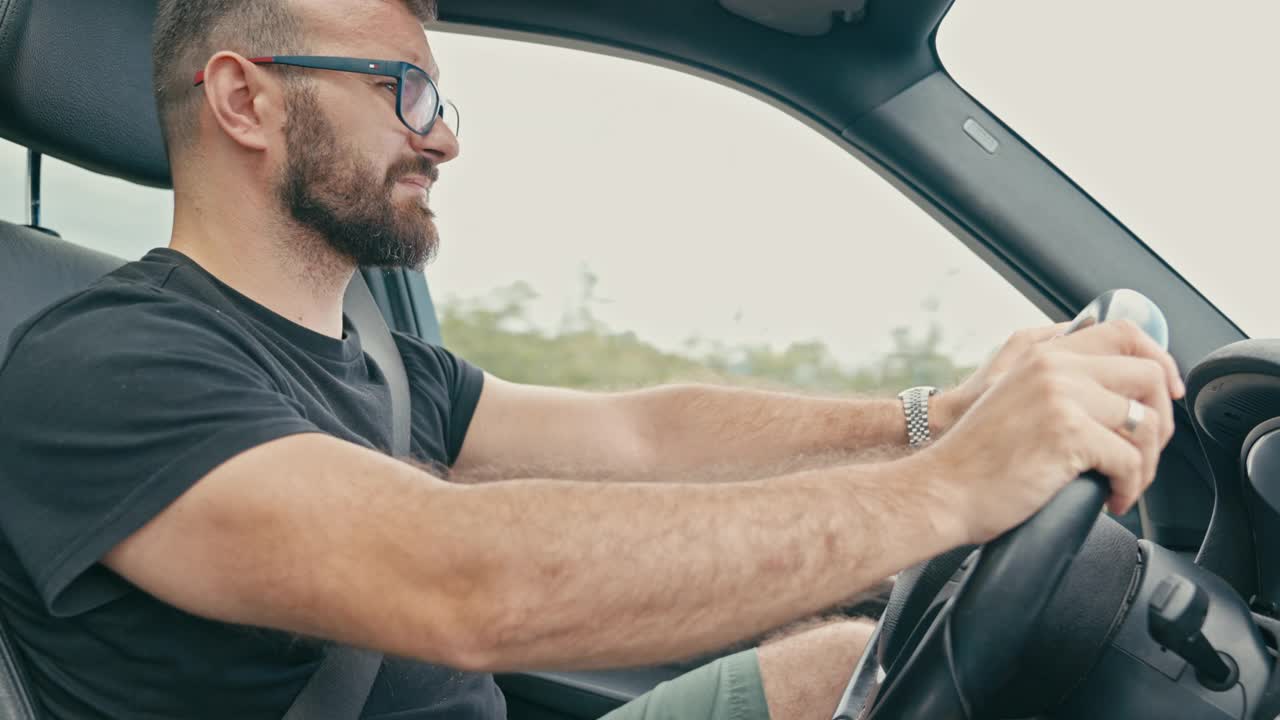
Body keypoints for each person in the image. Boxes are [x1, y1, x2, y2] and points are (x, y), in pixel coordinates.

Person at [0, 0, 1184, 718]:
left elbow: (640, 435)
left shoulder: (382, 356)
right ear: (244, 101)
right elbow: (457, 581)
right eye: (404, 89)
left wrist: (929, 416)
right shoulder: (105, 364)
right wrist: (945, 491)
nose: (444, 136)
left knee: (836, 664)